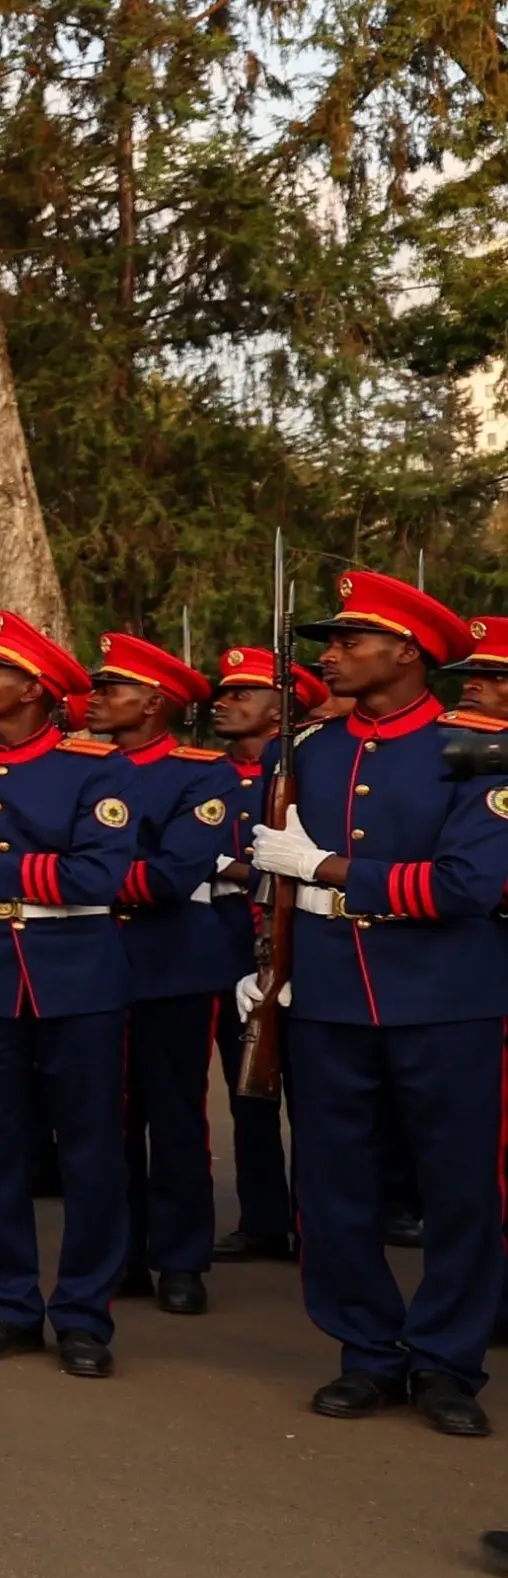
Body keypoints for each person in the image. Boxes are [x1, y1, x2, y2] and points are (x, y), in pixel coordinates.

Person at [252, 570, 507, 1438]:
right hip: (326, 994)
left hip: (446, 997)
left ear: (406, 652)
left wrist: (325, 869)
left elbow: (467, 885)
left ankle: (446, 1360)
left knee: (458, 1189)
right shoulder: (306, 751)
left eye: (348, 641)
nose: (330, 655)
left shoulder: (478, 749)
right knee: (333, 1184)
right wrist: (267, 963)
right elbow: (270, 870)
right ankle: (366, 1350)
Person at [0, 612, 139, 1378]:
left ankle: (85, 1313)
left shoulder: (96, 768)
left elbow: (97, 875)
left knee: (90, 1152)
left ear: (33, 689)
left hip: (76, 975)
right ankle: (9, 1304)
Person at [84, 635, 237, 1317]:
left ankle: (180, 1256)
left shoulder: (200, 774)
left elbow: (172, 875)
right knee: (103, 1118)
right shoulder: (80, 766)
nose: (95, 698)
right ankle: (118, 1254)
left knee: (174, 1117)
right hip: (89, 960)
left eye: (111, 688)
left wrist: (72, 879)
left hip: (170, 961)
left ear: (152, 702)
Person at [204, 650, 295, 1259]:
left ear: (279, 710)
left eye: (243, 694)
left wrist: (234, 869)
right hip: (221, 944)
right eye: (224, 692)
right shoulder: (206, 775)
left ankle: (317, 1220)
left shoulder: (300, 770)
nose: (225, 702)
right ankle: (264, 1217)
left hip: (291, 941)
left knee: (316, 1094)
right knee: (248, 1088)